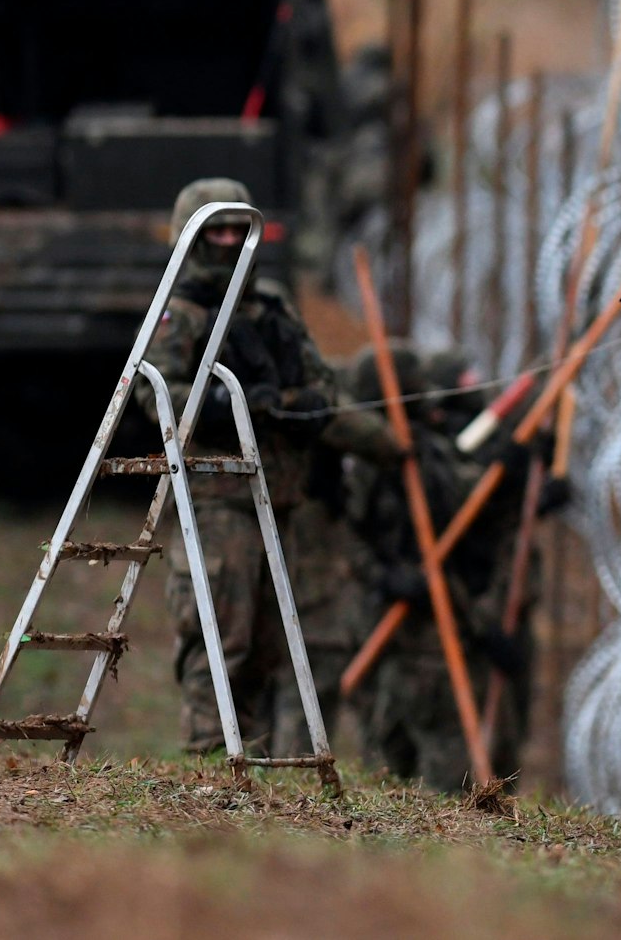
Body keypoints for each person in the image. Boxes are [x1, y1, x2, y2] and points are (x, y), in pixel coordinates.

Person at [141, 178, 401, 756]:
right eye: (217, 232)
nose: (231, 241)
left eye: (239, 230)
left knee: (267, 642)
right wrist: (234, 405)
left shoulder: (274, 304)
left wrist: (302, 404)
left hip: (276, 493)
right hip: (214, 495)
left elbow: (317, 381)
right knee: (218, 633)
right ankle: (210, 753)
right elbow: (157, 393)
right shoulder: (178, 312)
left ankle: (248, 754)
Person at [345, 345, 536, 792]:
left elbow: (460, 501)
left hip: (435, 632)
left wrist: (502, 475)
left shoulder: (426, 453)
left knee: (450, 776)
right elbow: (347, 538)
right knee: (384, 767)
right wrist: (385, 578)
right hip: (380, 630)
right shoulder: (359, 460)